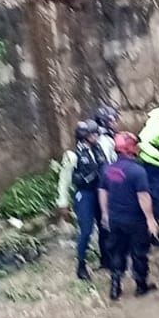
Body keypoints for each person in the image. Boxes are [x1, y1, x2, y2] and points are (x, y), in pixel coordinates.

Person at [98, 132, 159, 301]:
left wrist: (104, 213)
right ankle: (141, 286)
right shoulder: (137, 171)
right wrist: (150, 219)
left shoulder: (108, 169)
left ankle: (115, 286)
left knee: (117, 252)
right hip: (135, 220)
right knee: (139, 253)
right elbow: (143, 197)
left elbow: (103, 191)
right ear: (131, 148)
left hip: (115, 219)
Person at [57, 120, 110, 280]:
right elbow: (64, 179)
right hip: (85, 194)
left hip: (99, 192)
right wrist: (63, 202)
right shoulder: (72, 156)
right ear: (85, 137)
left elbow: (106, 169)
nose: (97, 136)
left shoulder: (99, 148)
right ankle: (81, 265)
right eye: (94, 134)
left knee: (105, 226)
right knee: (86, 230)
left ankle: (106, 259)